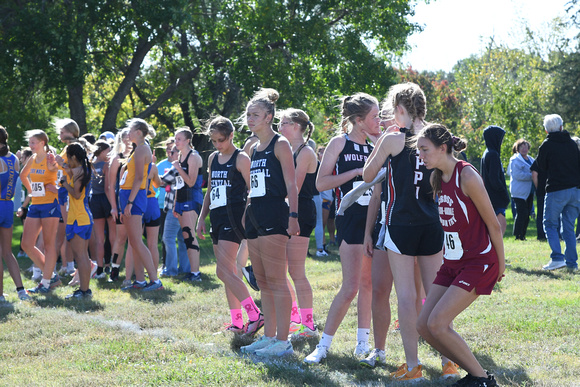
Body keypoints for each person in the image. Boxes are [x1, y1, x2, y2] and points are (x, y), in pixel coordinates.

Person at [361, 83, 455, 382]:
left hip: (400, 224)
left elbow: (366, 174)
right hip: (433, 224)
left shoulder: (393, 139)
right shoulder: (438, 136)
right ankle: (448, 362)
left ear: (400, 109)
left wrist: (381, 145)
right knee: (436, 295)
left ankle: (413, 366)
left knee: (406, 294)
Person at [415, 123, 504, 387]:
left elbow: (494, 225)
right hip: (452, 263)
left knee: (439, 323)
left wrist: (500, 264)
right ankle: (475, 375)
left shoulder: (466, 176)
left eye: (424, 150)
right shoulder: (436, 177)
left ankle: (482, 379)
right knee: (424, 326)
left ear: (443, 148)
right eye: (418, 150)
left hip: (478, 262)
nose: (421, 156)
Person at [304, 92, 379, 364]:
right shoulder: (340, 142)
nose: (379, 120)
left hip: (374, 219)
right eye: (374, 116)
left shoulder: (377, 144)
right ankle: (323, 346)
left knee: (368, 283)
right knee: (350, 287)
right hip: (349, 216)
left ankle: (363, 343)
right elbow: (321, 184)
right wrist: (356, 173)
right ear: (359, 120)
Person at [239, 88, 299, 357]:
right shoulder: (252, 146)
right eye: (248, 114)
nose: (250, 118)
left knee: (277, 279)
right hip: (254, 214)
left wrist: (294, 216)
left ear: (269, 117)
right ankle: (270, 336)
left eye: (255, 114)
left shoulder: (280, 143)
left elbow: (291, 183)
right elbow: (253, 185)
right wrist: (246, 211)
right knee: (262, 279)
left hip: (275, 213)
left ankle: (283, 342)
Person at [196, 116, 263, 335]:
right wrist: (201, 218)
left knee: (223, 271)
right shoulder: (213, 158)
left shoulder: (241, 158)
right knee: (229, 273)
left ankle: (255, 315)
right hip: (217, 217)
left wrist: (247, 215)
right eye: (214, 141)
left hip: (234, 218)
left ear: (232, 135)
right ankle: (236, 322)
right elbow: (210, 191)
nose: (218, 145)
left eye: (221, 140)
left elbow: (253, 189)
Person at [278, 108, 318, 339]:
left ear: (295, 126)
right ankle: (295, 318)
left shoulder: (305, 152)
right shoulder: (287, 149)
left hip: (300, 213)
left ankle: (309, 325)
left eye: (283, 123)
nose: (280, 127)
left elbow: (296, 186)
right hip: (284, 212)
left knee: (296, 271)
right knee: (281, 271)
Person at [118, 118, 163, 291]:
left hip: (134, 196)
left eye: (130, 130)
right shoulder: (139, 149)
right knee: (134, 241)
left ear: (138, 132)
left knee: (137, 241)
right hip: (130, 195)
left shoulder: (142, 149)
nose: (127, 133)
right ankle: (140, 280)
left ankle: (154, 281)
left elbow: (139, 178)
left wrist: (129, 202)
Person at [20, 130, 62, 294]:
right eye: (29, 142)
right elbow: (23, 176)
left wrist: (54, 166)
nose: (31, 146)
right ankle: (51, 275)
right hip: (36, 205)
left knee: (49, 244)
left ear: (43, 143)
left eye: (33, 142)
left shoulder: (50, 158)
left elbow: (58, 171)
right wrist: (32, 191)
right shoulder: (32, 158)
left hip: (50, 204)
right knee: (26, 244)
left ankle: (45, 283)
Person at [537, 114, 580, 271]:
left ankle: (556, 257)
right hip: (575, 190)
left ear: (547, 130)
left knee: (550, 223)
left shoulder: (547, 145)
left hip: (556, 190)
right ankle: (571, 263)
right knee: (568, 227)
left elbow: (541, 165)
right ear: (562, 127)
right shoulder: (572, 143)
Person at [0, 126, 31, 301]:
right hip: (7, 206)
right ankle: (20, 290)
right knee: (7, 252)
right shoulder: (14, 159)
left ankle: (0, 295)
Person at [62, 143, 94, 299]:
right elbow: (67, 168)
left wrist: (64, 184)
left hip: (78, 219)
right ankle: (85, 289)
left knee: (80, 256)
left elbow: (75, 194)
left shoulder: (79, 172)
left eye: (68, 158)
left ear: (73, 157)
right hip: (85, 217)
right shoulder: (84, 169)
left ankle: (83, 291)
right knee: (84, 256)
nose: (67, 161)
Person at [172, 127, 204, 281]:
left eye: (179, 139)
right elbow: (179, 183)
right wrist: (175, 204)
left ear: (187, 140)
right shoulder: (179, 157)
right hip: (181, 200)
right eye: (175, 138)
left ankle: (196, 273)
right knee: (186, 236)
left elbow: (191, 182)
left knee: (190, 234)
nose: (176, 142)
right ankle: (193, 271)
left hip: (193, 199)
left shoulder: (193, 157)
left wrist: (178, 168)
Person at [160, 143, 190, 276]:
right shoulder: (188, 164)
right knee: (182, 239)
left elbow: (162, 181)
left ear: (179, 153)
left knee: (168, 237)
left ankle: (170, 269)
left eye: (172, 152)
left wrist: (151, 169)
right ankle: (185, 268)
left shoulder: (177, 167)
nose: (170, 155)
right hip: (185, 206)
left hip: (175, 208)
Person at [89, 140, 115, 278]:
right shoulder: (107, 165)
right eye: (109, 150)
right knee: (113, 237)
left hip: (94, 200)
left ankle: (99, 270)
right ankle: (112, 266)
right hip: (106, 200)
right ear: (103, 151)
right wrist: (114, 206)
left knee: (99, 238)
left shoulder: (91, 164)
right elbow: (107, 188)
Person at [480, 125, 510, 236]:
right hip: (496, 198)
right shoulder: (493, 155)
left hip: (489, 196)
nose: (501, 142)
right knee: (500, 228)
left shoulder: (487, 153)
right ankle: (496, 253)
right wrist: (503, 193)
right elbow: (494, 179)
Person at [507, 139, 535, 240]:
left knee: (527, 213)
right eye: (522, 147)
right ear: (517, 148)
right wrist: (531, 176)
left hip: (529, 191)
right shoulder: (515, 159)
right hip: (519, 191)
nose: (524, 149)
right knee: (521, 213)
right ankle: (517, 235)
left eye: (526, 146)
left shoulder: (531, 159)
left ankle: (523, 234)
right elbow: (517, 174)